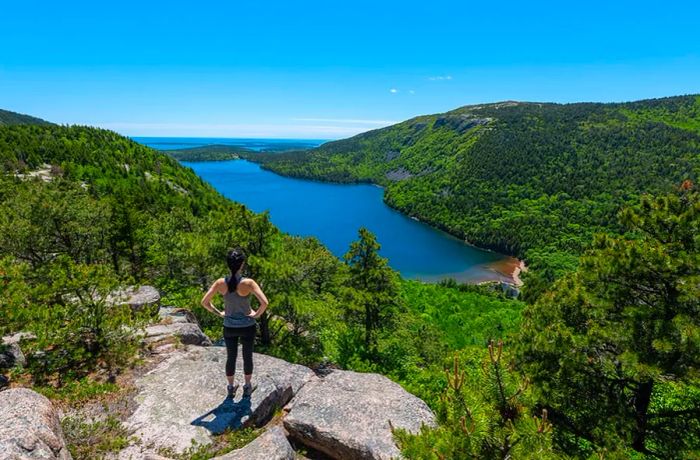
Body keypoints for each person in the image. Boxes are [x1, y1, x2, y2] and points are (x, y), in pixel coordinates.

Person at [201, 248, 268, 397]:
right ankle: (247, 386)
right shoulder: (249, 283)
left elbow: (204, 302)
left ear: (228, 264)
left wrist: (219, 313)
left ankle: (231, 388)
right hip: (247, 326)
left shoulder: (220, 283)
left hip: (229, 326)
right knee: (247, 356)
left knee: (231, 357)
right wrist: (255, 315)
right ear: (242, 264)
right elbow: (264, 303)